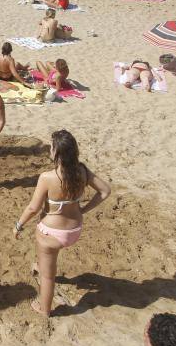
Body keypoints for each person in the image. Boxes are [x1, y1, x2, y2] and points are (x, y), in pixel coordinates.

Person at [14, 130, 111, 316]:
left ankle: (44, 309)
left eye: (51, 147)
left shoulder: (47, 178)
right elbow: (105, 191)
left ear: (57, 153)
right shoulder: (82, 171)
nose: (49, 150)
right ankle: (39, 264)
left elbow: (33, 208)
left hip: (51, 233)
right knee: (46, 257)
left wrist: (18, 225)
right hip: (74, 230)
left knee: (47, 277)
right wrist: (84, 210)